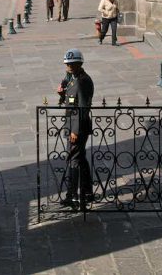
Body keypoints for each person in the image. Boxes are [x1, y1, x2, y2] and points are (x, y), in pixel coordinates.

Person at [58, 48, 94, 210]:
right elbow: (71, 100)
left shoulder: (82, 81)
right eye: (68, 64)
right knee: (80, 157)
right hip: (73, 125)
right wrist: (62, 93)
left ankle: (72, 195)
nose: (69, 67)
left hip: (77, 127)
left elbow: (82, 108)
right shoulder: (73, 79)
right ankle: (87, 191)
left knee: (73, 159)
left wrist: (75, 131)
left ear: (80, 63)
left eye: (73, 64)